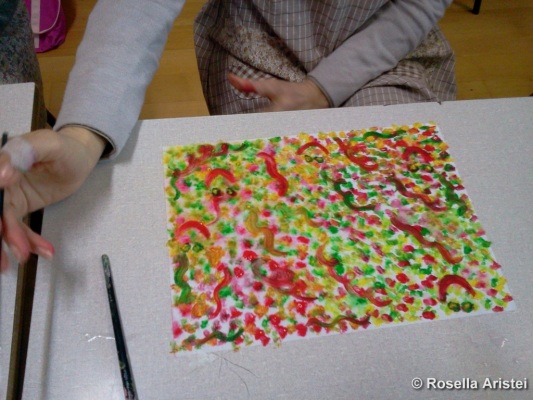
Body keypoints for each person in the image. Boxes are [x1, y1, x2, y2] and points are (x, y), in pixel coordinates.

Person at [0, 0, 455, 269]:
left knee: (398, 232)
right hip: (259, 50)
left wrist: (323, 89)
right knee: (265, 228)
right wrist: (84, 136)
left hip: (386, 51)